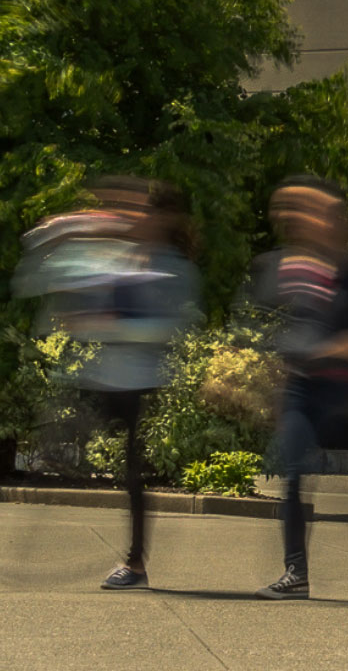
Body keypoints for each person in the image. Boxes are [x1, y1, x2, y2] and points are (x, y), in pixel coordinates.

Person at [14, 177, 201, 591]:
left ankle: (135, 565)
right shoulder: (122, 256)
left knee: (133, 474)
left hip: (142, 382)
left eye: (146, 212)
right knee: (87, 456)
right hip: (104, 378)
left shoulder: (172, 268)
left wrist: (105, 323)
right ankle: (131, 561)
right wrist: (69, 225)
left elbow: (165, 329)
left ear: (165, 218)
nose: (136, 217)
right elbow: (42, 271)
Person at [250, 176, 348, 600]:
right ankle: (296, 573)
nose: (298, 218)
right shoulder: (279, 267)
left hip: (338, 389)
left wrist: (329, 350)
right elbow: (259, 323)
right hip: (301, 388)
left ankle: (301, 569)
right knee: (293, 473)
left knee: (298, 468)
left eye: (311, 210)